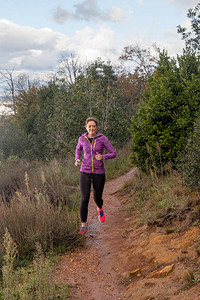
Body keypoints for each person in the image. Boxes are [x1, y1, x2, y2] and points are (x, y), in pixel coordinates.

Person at [75, 117, 116, 234]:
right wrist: (77, 159)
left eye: (93, 126)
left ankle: (100, 208)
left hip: (99, 172)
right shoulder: (82, 139)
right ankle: (83, 225)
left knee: (97, 197)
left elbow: (113, 153)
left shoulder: (102, 138)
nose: (91, 128)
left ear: (96, 127)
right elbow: (78, 150)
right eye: (89, 126)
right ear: (86, 127)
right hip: (85, 171)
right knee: (84, 199)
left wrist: (103, 156)